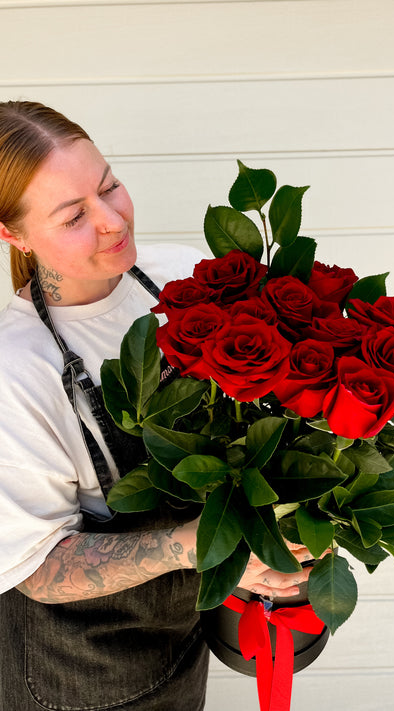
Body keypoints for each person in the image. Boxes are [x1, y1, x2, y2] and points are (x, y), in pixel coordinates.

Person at [0, 101, 312, 710]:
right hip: (77, 676)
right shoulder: (17, 371)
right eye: (74, 216)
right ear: (11, 233)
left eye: (110, 185)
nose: (113, 220)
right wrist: (199, 546)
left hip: (178, 643)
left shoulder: (185, 278)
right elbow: (37, 570)